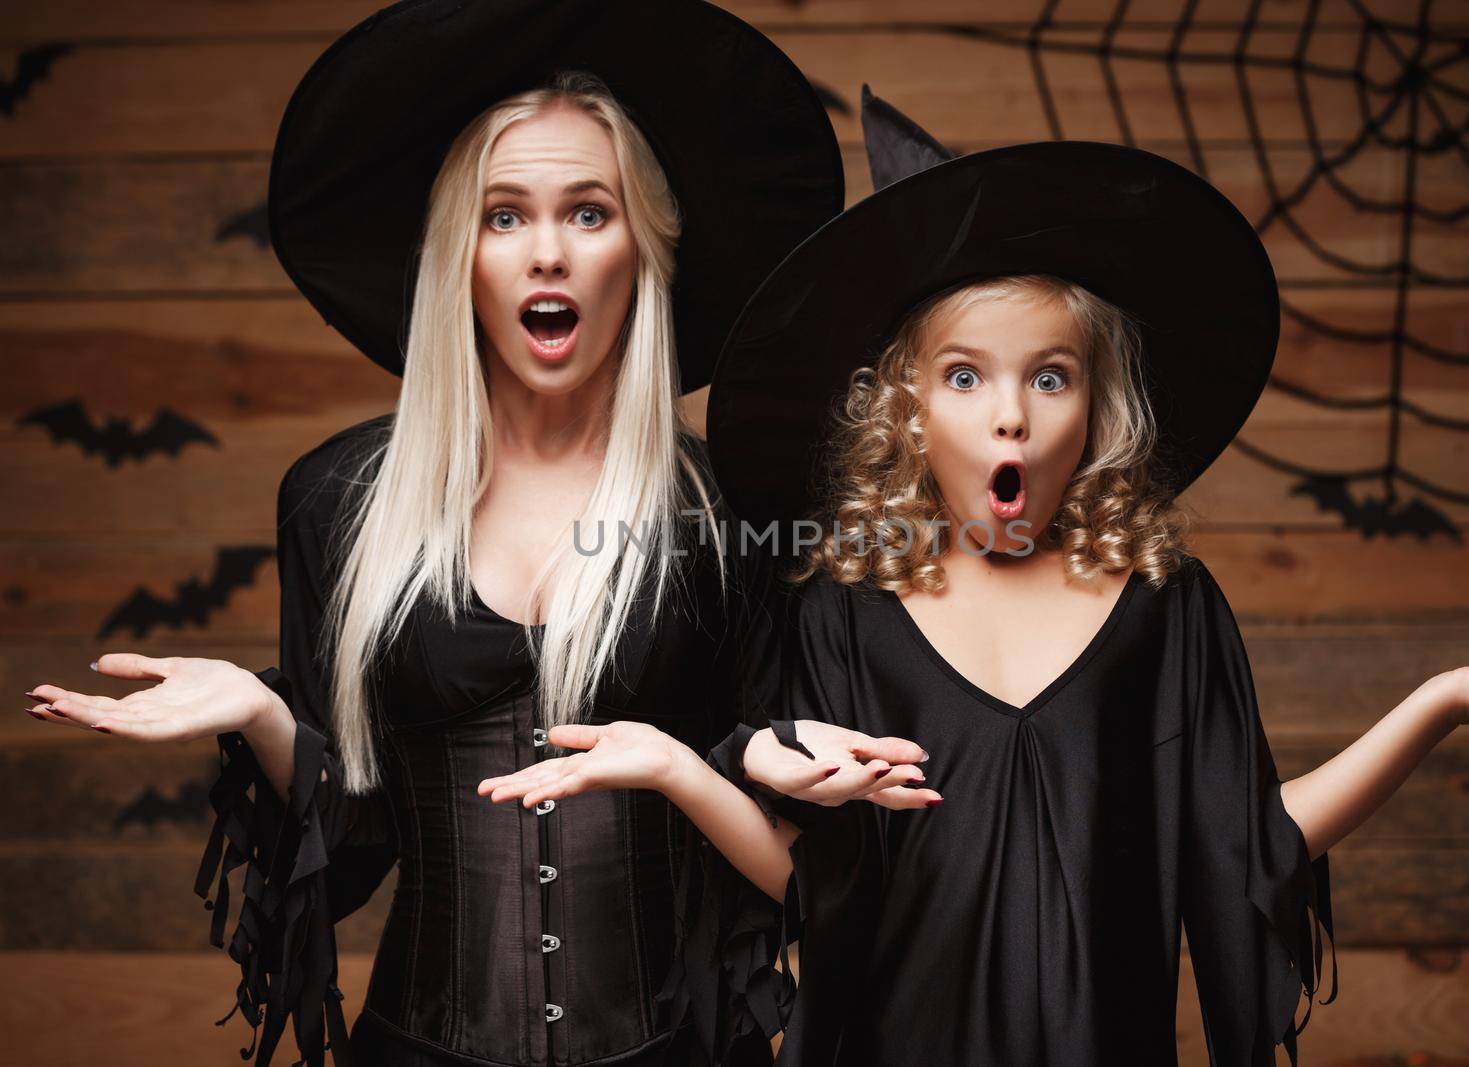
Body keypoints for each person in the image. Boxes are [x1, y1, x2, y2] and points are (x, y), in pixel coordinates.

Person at [476, 88, 1469, 1066]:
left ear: (1095, 408)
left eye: (1047, 376)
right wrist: (679, 767)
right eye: (965, 376)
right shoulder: (839, 613)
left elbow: (1244, 843)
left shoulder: (1167, 611)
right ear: (906, 408)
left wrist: (1442, 698)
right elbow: (813, 888)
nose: (1009, 411)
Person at [21, 5, 925, 1065]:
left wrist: (718, 767)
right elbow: (351, 853)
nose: (547, 252)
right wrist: (269, 716)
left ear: (643, 249)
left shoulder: (727, 510)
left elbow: (794, 864)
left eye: (589, 213)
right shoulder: (340, 500)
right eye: (505, 216)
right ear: (460, 255)